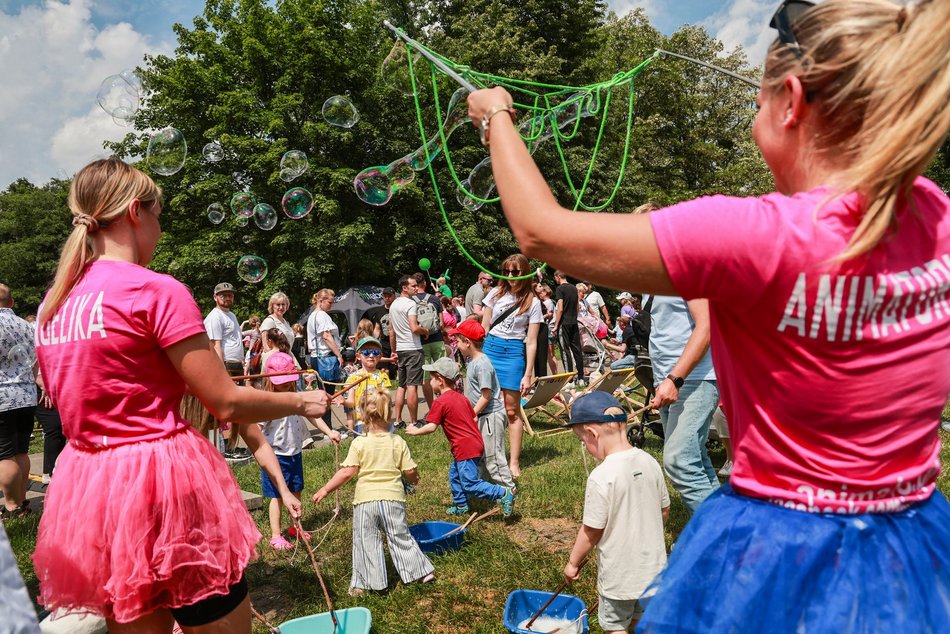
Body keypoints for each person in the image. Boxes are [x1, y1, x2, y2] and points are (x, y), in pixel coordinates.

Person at [467, 0, 950, 627]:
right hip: (908, 540)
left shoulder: (751, 235)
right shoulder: (934, 214)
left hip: (781, 546)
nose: (754, 105)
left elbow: (541, 232)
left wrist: (497, 118)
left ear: (793, 100)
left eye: (758, 95)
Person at [31, 158, 329, 632]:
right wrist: (302, 400)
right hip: (161, 483)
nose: (160, 230)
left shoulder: (54, 302)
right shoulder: (155, 290)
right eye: (158, 216)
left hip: (89, 485)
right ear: (134, 211)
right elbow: (225, 402)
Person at [563, 392, 670, 634]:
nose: (586, 447)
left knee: (615, 626)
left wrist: (573, 563)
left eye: (583, 441)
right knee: (642, 621)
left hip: (619, 578)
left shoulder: (601, 476)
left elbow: (591, 530)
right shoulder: (650, 461)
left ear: (593, 434)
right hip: (653, 572)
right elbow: (664, 510)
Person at [312, 388, 435, 595]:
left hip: (365, 501)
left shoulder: (359, 443)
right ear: (389, 414)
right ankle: (420, 572)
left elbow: (347, 472)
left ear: (362, 415)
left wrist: (325, 489)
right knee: (400, 535)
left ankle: (366, 583)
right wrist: (414, 478)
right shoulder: (398, 442)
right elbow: (410, 470)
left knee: (365, 540)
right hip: (393, 498)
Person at [405, 357, 516, 517]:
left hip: (464, 448)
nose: (429, 382)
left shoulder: (440, 402)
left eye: (431, 378)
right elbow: (474, 418)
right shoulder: (461, 398)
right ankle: (461, 505)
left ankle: (503, 493)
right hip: (475, 443)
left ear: (440, 380)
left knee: (470, 483)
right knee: (455, 475)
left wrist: (415, 430)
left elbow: (432, 426)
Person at [259, 352, 340, 550]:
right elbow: (257, 430)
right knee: (278, 495)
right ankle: (276, 535)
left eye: (289, 381)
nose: (286, 385)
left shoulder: (297, 398)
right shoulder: (267, 401)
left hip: (294, 452)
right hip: (275, 455)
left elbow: (313, 416)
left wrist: (329, 432)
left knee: (296, 490)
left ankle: (295, 526)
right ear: (270, 380)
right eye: (282, 381)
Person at [647, 293, 719, 515]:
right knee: (696, 457)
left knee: (680, 461)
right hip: (669, 380)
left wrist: (675, 379)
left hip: (693, 377)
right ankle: (728, 526)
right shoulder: (651, 278)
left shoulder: (688, 267)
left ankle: (720, 541)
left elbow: (706, 326)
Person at [480, 254, 542, 479]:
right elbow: (484, 327)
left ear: (525, 272)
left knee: (512, 411)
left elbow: (532, 341)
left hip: (513, 353)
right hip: (490, 350)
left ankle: (513, 462)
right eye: (506, 272)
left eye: (515, 272)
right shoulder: (495, 295)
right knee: (484, 406)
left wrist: (527, 374)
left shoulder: (533, 302)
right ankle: (483, 457)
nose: (510, 276)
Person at [453, 320, 515, 490]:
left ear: (467, 342)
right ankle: (485, 489)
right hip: (483, 416)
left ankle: (508, 491)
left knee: (493, 458)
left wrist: (471, 414)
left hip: (491, 416)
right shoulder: (472, 362)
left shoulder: (482, 364)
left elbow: (486, 396)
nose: (456, 344)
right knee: (483, 456)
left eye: (458, 340)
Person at [0, 283, 37, 519]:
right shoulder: (28, 326)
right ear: (11, 302)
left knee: (4, 455)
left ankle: (11, 507)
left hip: (2, 398)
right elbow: (36, 362)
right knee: (21, 451)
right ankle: (22, 502)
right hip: (27, 395)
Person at [389, 275, 429, 427]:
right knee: (412, 386)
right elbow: (414, 327)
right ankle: (413, 421)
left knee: (401, 385)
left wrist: (394, 350)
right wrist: (425, 330)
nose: (416, 287)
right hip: (413, 349)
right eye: (413, 285)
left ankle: (398, 420)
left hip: (401, 349)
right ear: (404, 288)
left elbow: (391, 331)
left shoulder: (393, 305)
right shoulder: (411, 304)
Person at [307, 288, 344, 428]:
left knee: (325, 394)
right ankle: (327, 427)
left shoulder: (313, 315)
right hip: (325, 358)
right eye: (329, 302)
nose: (331, 305)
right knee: (327, 396)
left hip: (318, 358)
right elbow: (326, 336)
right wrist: (338, 354)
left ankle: (326, 426)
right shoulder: (321, 316)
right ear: (320, 301)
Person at [341, 337, 393, 434]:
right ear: (358, 356)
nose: (371, 355)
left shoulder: (383, 376)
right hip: (361, 422)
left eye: (376, 352)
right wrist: (343, 401)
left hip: (380, 420)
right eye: (366, 352)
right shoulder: (353, 377)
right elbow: (351, 402)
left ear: (380, 356)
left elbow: (387, 400)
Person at [412, 272, 446, 409]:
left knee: (426, 377)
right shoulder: (434, 299)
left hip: (421, 342)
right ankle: (445, 404)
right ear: (425, 284)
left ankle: (432, 408)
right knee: (442, 372)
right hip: (437, 339)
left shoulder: (411, 301)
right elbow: (442, 324)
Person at [553, 270, 584, 386]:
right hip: (573, 322)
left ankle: (569, 379)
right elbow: (577, 306)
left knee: (565, 350)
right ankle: (581, 378)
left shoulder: (560, 289)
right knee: (577, 349)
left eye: (555, 278)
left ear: (557, 277)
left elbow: (560, 308)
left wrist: (556, 325)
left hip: (564, 323)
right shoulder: (574, 288)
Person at [361, 287, 396, 376]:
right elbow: (377, 329)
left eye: (389, 296)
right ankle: (384, 385)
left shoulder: (397, 309)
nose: (387, 298)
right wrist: (373, 341)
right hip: (384, 343)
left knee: (395, 367)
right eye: (385, 296)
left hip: (398, 342)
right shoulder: (379, 311)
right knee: (384, 368)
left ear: (394, 296)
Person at [259, 292, 296, 368]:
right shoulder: (269, 321)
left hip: (286, 360)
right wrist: (276, 362)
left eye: (283, 304)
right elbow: (266, 346)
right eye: (278, 304)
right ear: (272, 306)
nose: (281, 307)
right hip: (275, 363)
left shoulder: (286, 322)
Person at [538, 284, 558, 375]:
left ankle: (555, 374)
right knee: (550, 354)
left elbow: (549, 316)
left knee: (550, 354)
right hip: (550, 328)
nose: (540, 294)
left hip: (549, 328)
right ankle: (555, 374)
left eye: (541, 292)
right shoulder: (549, 302)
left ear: (545, 292)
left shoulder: (548, 302)